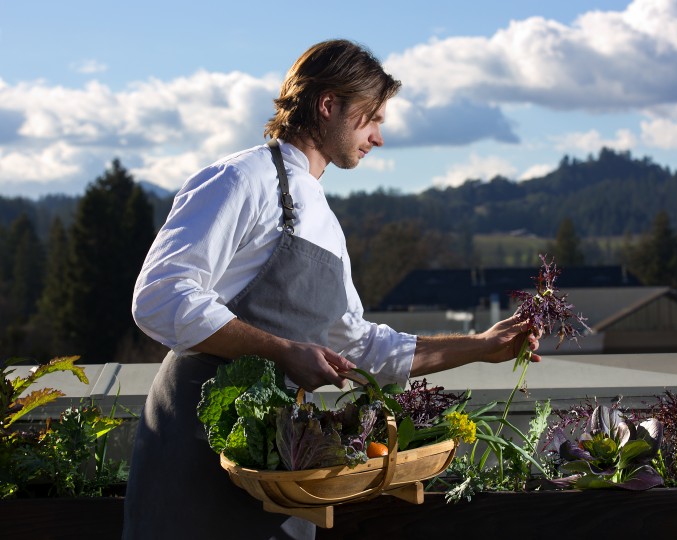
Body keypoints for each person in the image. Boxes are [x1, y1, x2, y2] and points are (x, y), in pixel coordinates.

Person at [123, 39, 540, 540]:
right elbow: (161, 295)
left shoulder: (324, 223)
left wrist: (480, 346)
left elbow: (359, 348)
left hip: (284, 463)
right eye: (371, 119)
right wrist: (282, 351)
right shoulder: (240, 179)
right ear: (328, 105)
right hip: (197, 446)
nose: (378, 137)